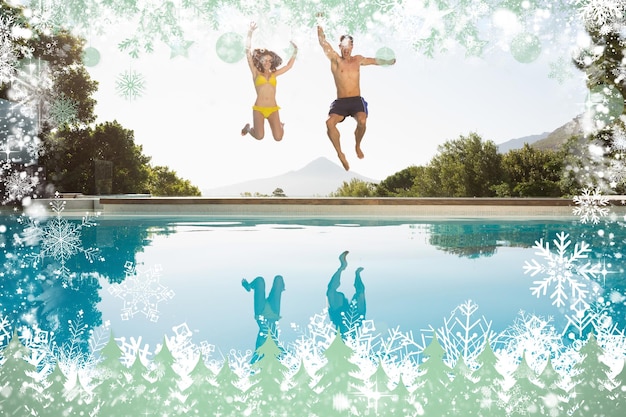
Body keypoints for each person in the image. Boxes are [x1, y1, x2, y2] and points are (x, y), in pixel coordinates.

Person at [317, 21, 396, 170]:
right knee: (329, 123)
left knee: (362, 121)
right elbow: (322, 42)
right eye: (343, 45)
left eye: (349, 45)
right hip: (340, 102)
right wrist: (320, 25)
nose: (346, 49)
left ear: (352, 47)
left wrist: (388, 61)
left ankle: (357, 144)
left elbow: (374, 61)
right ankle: (340, 154)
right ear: (340, 47)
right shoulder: (335, 59)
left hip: (356, 101)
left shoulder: (357, 59)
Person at [241, 22, 297, 141]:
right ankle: (248, 129)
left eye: (269, 61)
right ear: (260, 61)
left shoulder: (274, 74)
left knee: (278, 138)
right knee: (259, 136)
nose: (267, 62)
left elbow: (288, 66)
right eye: (264, 60)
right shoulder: (256, 73)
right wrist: (250, 32)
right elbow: (247, 52)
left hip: (273, 109)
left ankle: (280, 126)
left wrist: (295, 50)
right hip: (259, 109)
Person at [242, 275, 285, 357]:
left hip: (261, 314)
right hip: (274, 313)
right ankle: (281, 288)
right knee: (279, 279)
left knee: (259, 281)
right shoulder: (276, 344)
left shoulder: (261, 344)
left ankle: (249, 287)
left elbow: (256, 354)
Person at [326, 251, 366, 337]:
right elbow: (362, 307)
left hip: (339, 312)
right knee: (361, 293)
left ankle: (342, 267)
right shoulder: (358, 321)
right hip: (354, 314)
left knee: (330, 292)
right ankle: (357, 274)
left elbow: (330, 294)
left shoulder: (335, 320)